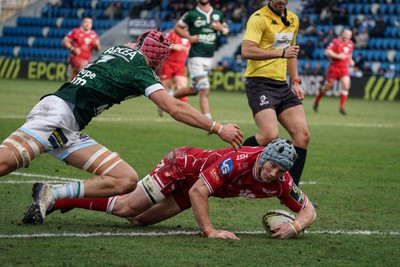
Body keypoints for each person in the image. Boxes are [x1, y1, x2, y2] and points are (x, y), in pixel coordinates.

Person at [0, 29, 243, 224]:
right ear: (158, 60)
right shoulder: (140, 70)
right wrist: (218, 128)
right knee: (5, 163)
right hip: (56, 114)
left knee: (125, 178)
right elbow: (174, 108)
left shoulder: (119, 49)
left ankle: (52, 193)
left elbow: (133, 49)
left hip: (69, 127)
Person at [24, 139, 317, 240]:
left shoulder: (281, 182)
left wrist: (295, 227)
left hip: (194, 182)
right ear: (263, 158)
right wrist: (210, 231)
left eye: (281, 170)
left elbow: (308, 210)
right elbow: (198, 193)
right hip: (182, 166)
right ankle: (59, 195)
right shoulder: (238, 162)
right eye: (272, 166)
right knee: (129, 207)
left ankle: (72, 201)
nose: (274, 173)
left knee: (140, 220)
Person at [240, 0, 311, 189]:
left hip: (281, 85)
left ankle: (291, 190)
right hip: (259, 83)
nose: (281, 0)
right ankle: (234, 169)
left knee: (302, 136)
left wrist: (295, 81)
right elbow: (246, 50)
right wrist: (281, 53)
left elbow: (292, 53)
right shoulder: (258, 18)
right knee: (269, 134)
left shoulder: (293, 19)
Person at [173, 0, 230, 119]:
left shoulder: (218, 14)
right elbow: (178, 28)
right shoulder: (191, 14)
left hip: (209, 58)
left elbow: (226, 31)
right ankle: (208, 120)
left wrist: (220, 28)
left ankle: (169, 97)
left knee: (193, 90)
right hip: (196, 56)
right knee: (205, 89)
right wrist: (189, 37)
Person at [313, 29, 354, 115]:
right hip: (334, 68)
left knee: (346, 86)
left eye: (348, 35)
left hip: (344, 69)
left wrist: (350, 60)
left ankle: (341, 107)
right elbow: (327, 52)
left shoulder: (350, 44)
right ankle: (317, 100)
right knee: (327, 87)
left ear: (350, 36)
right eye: (345, 34)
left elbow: (349, 54)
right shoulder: (335, 42)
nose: (346, 36)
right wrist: (338, 56)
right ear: (342, 34)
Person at [157, 29, 191, 116]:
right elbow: (164, 44)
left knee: (182, 87)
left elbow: (189, 49)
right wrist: (174, 46)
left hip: (180, 65)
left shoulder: (190, 35)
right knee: (165, 88)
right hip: (168, 64)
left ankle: (185, 111)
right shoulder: (172, 33)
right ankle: (162, 106)